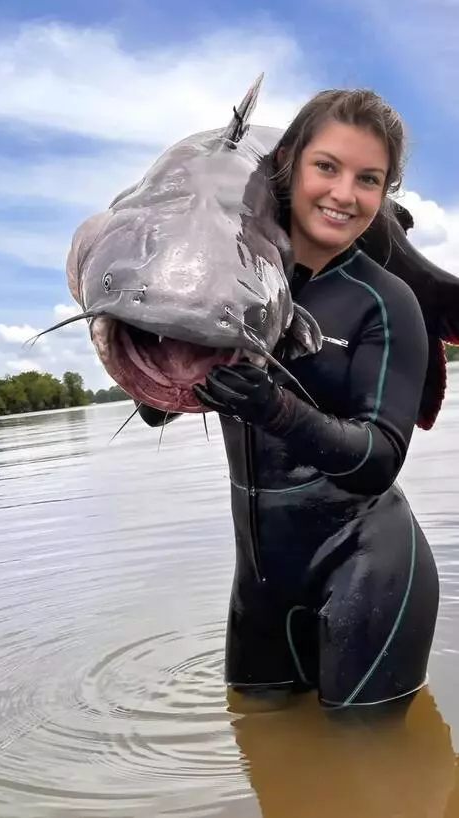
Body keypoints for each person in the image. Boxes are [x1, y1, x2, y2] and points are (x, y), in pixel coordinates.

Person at [146, 89, 441, 710]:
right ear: (288, 162)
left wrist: (274, 407)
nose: (343, 194)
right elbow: (163, 403)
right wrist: (155, 371)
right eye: (327, 167)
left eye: (369, 179)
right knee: (260, 740)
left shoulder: (386, 302)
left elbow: (378, 458)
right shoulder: (226, 282)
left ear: (385, 194)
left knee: (373, 777)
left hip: (369, 567)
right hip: (259, 581)